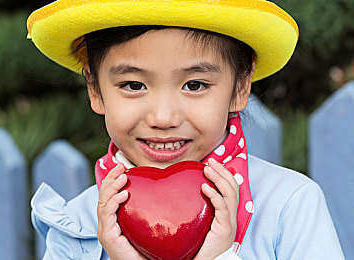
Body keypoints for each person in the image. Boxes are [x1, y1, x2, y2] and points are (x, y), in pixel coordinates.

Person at [28, 0, 344, 259]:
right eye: (134, 84)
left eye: (194, 84)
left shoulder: (289, 207)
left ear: (240, 86)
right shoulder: (78, 226)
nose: (163, 117)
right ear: (95, 89)